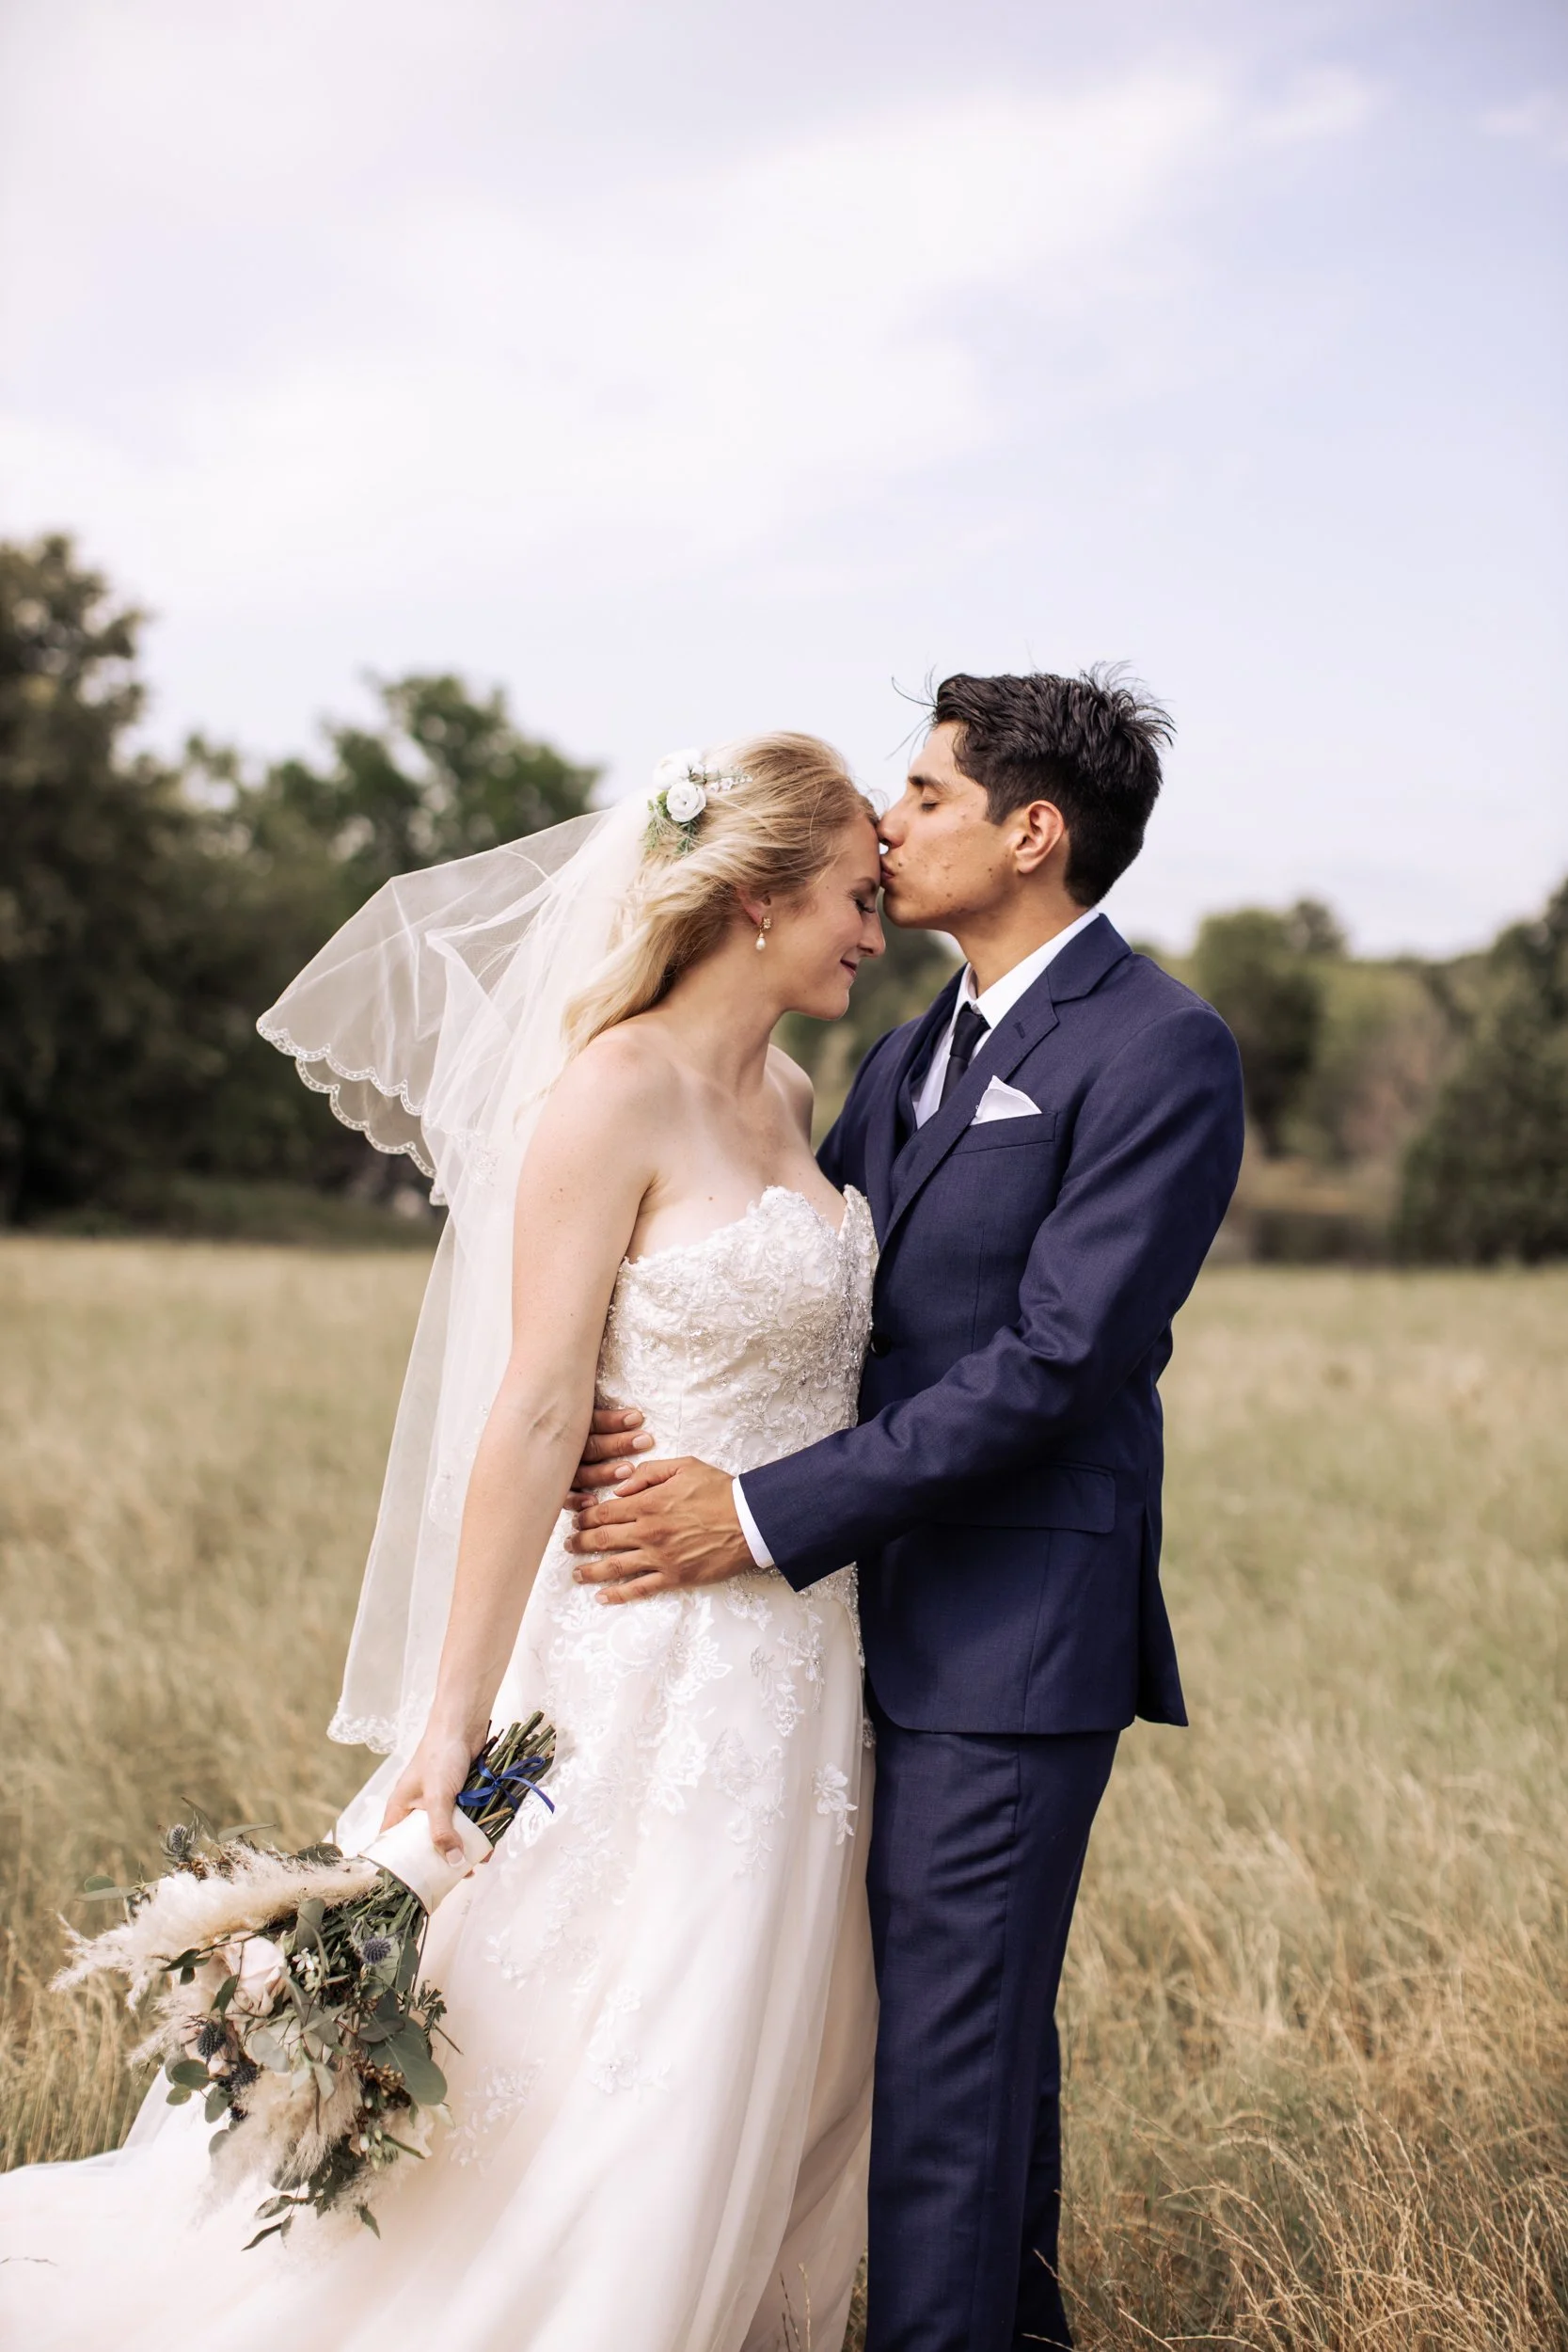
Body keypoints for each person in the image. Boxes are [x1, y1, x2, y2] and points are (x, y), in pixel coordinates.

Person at [0, 734, 887, 2352]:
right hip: (630, 1643)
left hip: (793, 1648)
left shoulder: (788, 1092)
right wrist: (452, 1716)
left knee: (758, 2025)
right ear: (756, 902)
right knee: (597, 2021)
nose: (872, 929)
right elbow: (537, 1411)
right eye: (853, 898)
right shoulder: (608, 1090)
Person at [566, 669, 1247, 2352]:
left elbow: (1057, 1360)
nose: (887, 823)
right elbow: (807, 1298)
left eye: (925, 796)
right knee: (964, 2039)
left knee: (946, 2065)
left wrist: (764, 1512)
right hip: (843, 1630)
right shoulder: (901, 1052)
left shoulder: (1162, 1049)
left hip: (1012, 1636)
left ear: (1032, 833)